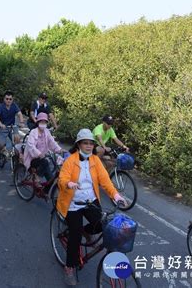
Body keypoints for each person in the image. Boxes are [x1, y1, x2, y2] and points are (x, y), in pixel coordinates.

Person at [56, 128, 126, 285]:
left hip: (90, 201)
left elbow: (105, 181)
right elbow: (62, 179)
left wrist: (116, 196)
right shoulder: (70, 160)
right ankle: (69, 267)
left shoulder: (95, 160)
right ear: (79, 144)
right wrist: (69, 183)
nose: (88, 146)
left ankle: (84, 231)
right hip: (73, 203)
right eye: (85, 143)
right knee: (74, 235)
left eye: (91, 143)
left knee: (103, 224)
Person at [23, 112, 62, 189]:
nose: (43, 124)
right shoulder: (33, 132)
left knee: (51, 174)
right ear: (38, 122)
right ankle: (35, 176)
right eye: (41, 122)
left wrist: (59, 149)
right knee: (45, 162)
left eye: (45, 122)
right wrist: (39, 154)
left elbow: (52, 142)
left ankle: (48, 190)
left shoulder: (47, 131)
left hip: (43, 157)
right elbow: (31, 146)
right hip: (32, 158)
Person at [0, 91, 24, 160]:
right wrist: (1, 124)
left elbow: (19, 114)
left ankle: (17, 157)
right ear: (4, 99)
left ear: (12, 100)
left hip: (12, 126)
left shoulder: (14, 105)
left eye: (10, 99)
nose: (8, 100)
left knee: (17, 139)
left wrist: (21, 122)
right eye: (7, 99)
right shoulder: (1, 106)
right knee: (1, 145)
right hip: (3, 127)